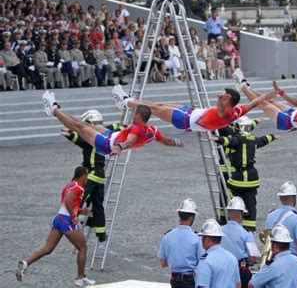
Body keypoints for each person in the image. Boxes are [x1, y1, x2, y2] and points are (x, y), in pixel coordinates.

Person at [16, 166, 95, 286]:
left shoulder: (69, 185)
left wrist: (80, 211)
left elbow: (67, 203)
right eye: (87, 176)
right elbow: (69, 200)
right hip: (67, 221)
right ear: (83, 175)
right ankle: (81, 278)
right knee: (83, 247)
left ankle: (26, 263)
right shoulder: (79, 188)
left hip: (58, 219)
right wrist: (74, 216)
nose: (87, 178)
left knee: (48, 249)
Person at [42, 90, 184, 156]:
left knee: (79, 127)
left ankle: (53, 109)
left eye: (135, 112)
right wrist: (178, 143)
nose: (133, 114)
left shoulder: (136, 128)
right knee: (85, 123)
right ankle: (57, 108)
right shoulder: (153, 131)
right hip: (112, 135)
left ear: (139, 116)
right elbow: (166, 141)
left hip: (107, 144)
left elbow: (130, 141)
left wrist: (119, 147)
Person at [112, 84, 276, 133]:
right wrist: (267, 95)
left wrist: (220, 99)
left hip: (185, 119)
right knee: (159, 105)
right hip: (191, 113)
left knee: (154, 107)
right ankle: (127, 101)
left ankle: (125, 101)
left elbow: (219, 109)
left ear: (228, 100)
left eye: (224, 94)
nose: (221, 94)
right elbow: (254, 103)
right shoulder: (237, 111)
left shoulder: (223, 112)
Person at [62, 110, 122, 242]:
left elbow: (72, 135)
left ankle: (67, 224)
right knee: (98, 205)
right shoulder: (105, 135)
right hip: (100, 176)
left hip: (90, 175)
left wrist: (70, 132)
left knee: (78, 198)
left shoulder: (89, 139)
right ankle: (101, 233)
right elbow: (119, 126)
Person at [212, 118, 278, 231]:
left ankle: (227, 219)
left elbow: (230, 140)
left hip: (232, 171)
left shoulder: (231, 131)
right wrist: (259, 125)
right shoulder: (249, 137)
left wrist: (217, 138)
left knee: (227, 194)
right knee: (250, 202)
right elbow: (257, 137)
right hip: (251, 176)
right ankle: (249, 228)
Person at [158, 199, 204, 288]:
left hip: (175, 281)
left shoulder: (167, 236)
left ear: (179, 215)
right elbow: (202, 262)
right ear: (192, 217)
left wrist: (175, 260)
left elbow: (162, 263)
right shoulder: (197, 238)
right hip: (190, 281)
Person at [264, 182, 297, 272]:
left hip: (273, 260)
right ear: (294, 198)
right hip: (291, 261)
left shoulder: (270, 216)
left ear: (280, 198)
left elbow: (266, 240)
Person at [195, 219, 241, 288]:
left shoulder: (206, 261)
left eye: (202, 237)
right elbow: (238, 285)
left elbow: (202, 286)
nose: (201, 240)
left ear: (207, 239)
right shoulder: (232, 258)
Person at [221, 197, 255, 288]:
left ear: (228, 214)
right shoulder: (247, 234)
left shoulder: (219, 231)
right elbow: (253, 259)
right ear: (241, 215)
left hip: (222, 270)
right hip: (241, 270)